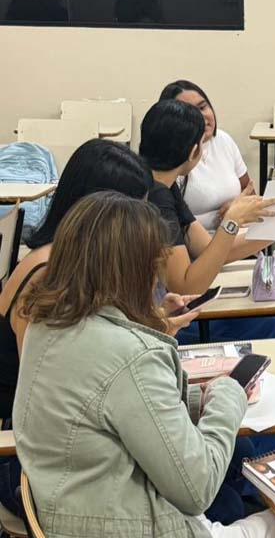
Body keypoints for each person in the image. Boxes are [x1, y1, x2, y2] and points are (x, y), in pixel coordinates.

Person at [14, 191, 275, 538]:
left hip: (77, 512)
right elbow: (197, 487)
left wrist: (194, 394)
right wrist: (228, 394)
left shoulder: (46, 326)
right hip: (131, 525)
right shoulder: (130, 355)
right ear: (135, 271)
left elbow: (113, 406)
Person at [0, 140, 202, 517]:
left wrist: (153, 322)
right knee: (195, 477)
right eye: (133, 209)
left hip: (67, 445)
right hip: (29, 463)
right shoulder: (48, 273)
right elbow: (50, 386)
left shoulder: (72, 263)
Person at [138, 99, 275, 342]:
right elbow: (187, 287)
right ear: (193, 152)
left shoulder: (163, 186)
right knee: (271, 327)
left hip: (150, 312)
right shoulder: (157, 199)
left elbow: (210, 249)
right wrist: (231, 222)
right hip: (153, 323)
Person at [159, 80, 255, 232]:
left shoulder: (223, 140)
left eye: (203, 107)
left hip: (236, 232)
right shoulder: (167, 158)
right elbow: (168, 223)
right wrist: (227, 218)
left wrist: (237, 208)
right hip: (197, 240)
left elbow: (249, 193)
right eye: (189, 113)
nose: (201, 117)